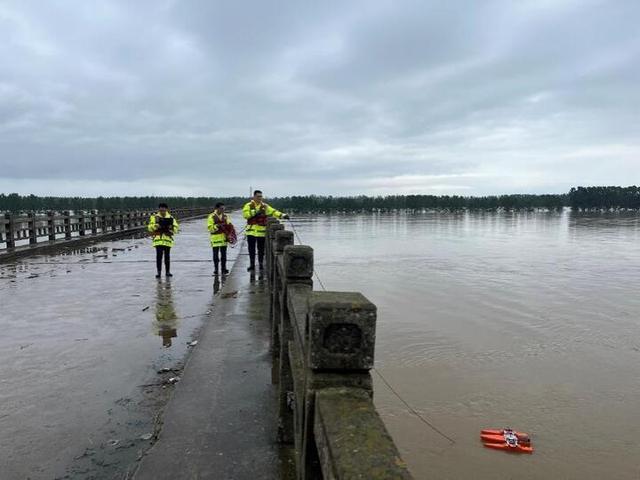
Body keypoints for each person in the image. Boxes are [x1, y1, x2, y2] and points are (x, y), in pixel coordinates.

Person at [242, 190, 289, 271]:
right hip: (251, 231)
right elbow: (245, 215)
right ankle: (252, 265)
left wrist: (283, 215)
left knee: (261, 249)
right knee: (251, 249)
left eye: (261, 196)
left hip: (261, 232)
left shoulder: (265, 206)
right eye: (258, 196)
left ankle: (260, 264)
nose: (260, 198)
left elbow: (274, 212)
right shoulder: (248, 205)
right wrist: (255, 212)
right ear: (254, 197)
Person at [148, 203, 179, 278]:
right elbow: (149, 227)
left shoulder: (171, 218)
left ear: (166, 209)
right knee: (159, 256)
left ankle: (167, 272)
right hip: (158, 240)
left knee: (167, 257)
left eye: (164, 209)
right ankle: (159, 272)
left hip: (167, 239)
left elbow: (176, 228)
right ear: (159, 209)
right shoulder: (154, 217)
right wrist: (155, 226)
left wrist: (171, 229)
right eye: (161, 210)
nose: (162, 211)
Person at [207, 202, 234, 276]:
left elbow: (229, 224)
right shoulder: (211, 216)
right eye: (221, 208)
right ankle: (216, 269)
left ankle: (224, 269)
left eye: (224, 209)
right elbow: (210, 228)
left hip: (223, 238)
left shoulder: (225, 216)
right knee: (215, 255)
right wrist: (217, 226)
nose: (223, 210)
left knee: (224, 255)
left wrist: (230, 229)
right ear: (217, 208)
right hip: (215, 239)